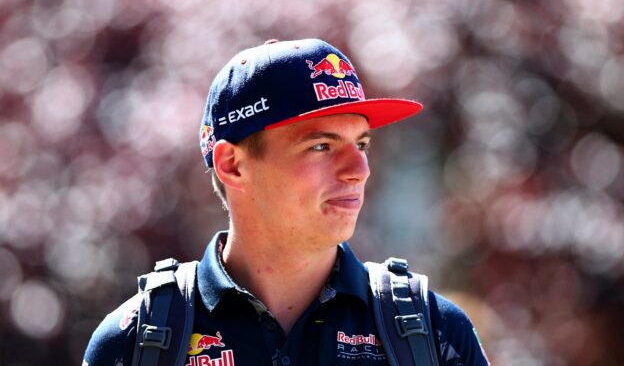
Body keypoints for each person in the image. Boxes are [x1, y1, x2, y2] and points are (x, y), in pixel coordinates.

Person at [83, 38, 490, 366]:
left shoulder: (434, 332)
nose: (359, 169)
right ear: (232, 165)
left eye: (361, 144)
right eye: (321, 145)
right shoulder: (136, 341)